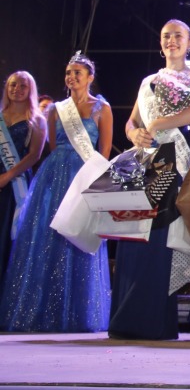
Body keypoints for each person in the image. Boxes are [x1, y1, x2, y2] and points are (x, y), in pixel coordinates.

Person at [108, 19, 190, 340]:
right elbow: (132, 121)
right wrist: (133, 132)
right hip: (144, 162)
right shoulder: (148, 81)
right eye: (166, 36)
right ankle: (125, 318)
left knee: (160, 239)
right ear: (160, 44)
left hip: (173, 161)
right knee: (132, 236)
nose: (172, 41)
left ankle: (153, 320)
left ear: (189, 42)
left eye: (178, 36)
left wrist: (162, 122)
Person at [0, 52, 113, 332]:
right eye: (68, 73)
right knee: (47, 239)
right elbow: (52, 147)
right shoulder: (55, 109)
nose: (71, 77)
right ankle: (40, 311)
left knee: (78, 237)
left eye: (77, 73)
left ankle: (77, 314)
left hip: (85, 174)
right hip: (55, 174)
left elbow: (105, 151)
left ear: (90, 77)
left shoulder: (102, 108)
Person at [0, 72, 47, 295]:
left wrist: (8, 176)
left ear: (30, 90)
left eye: (22, 86)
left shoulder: (37, 120)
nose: (16, 89)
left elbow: (34, 155)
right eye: (12, 85)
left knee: (8, 236)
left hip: (15, 184)